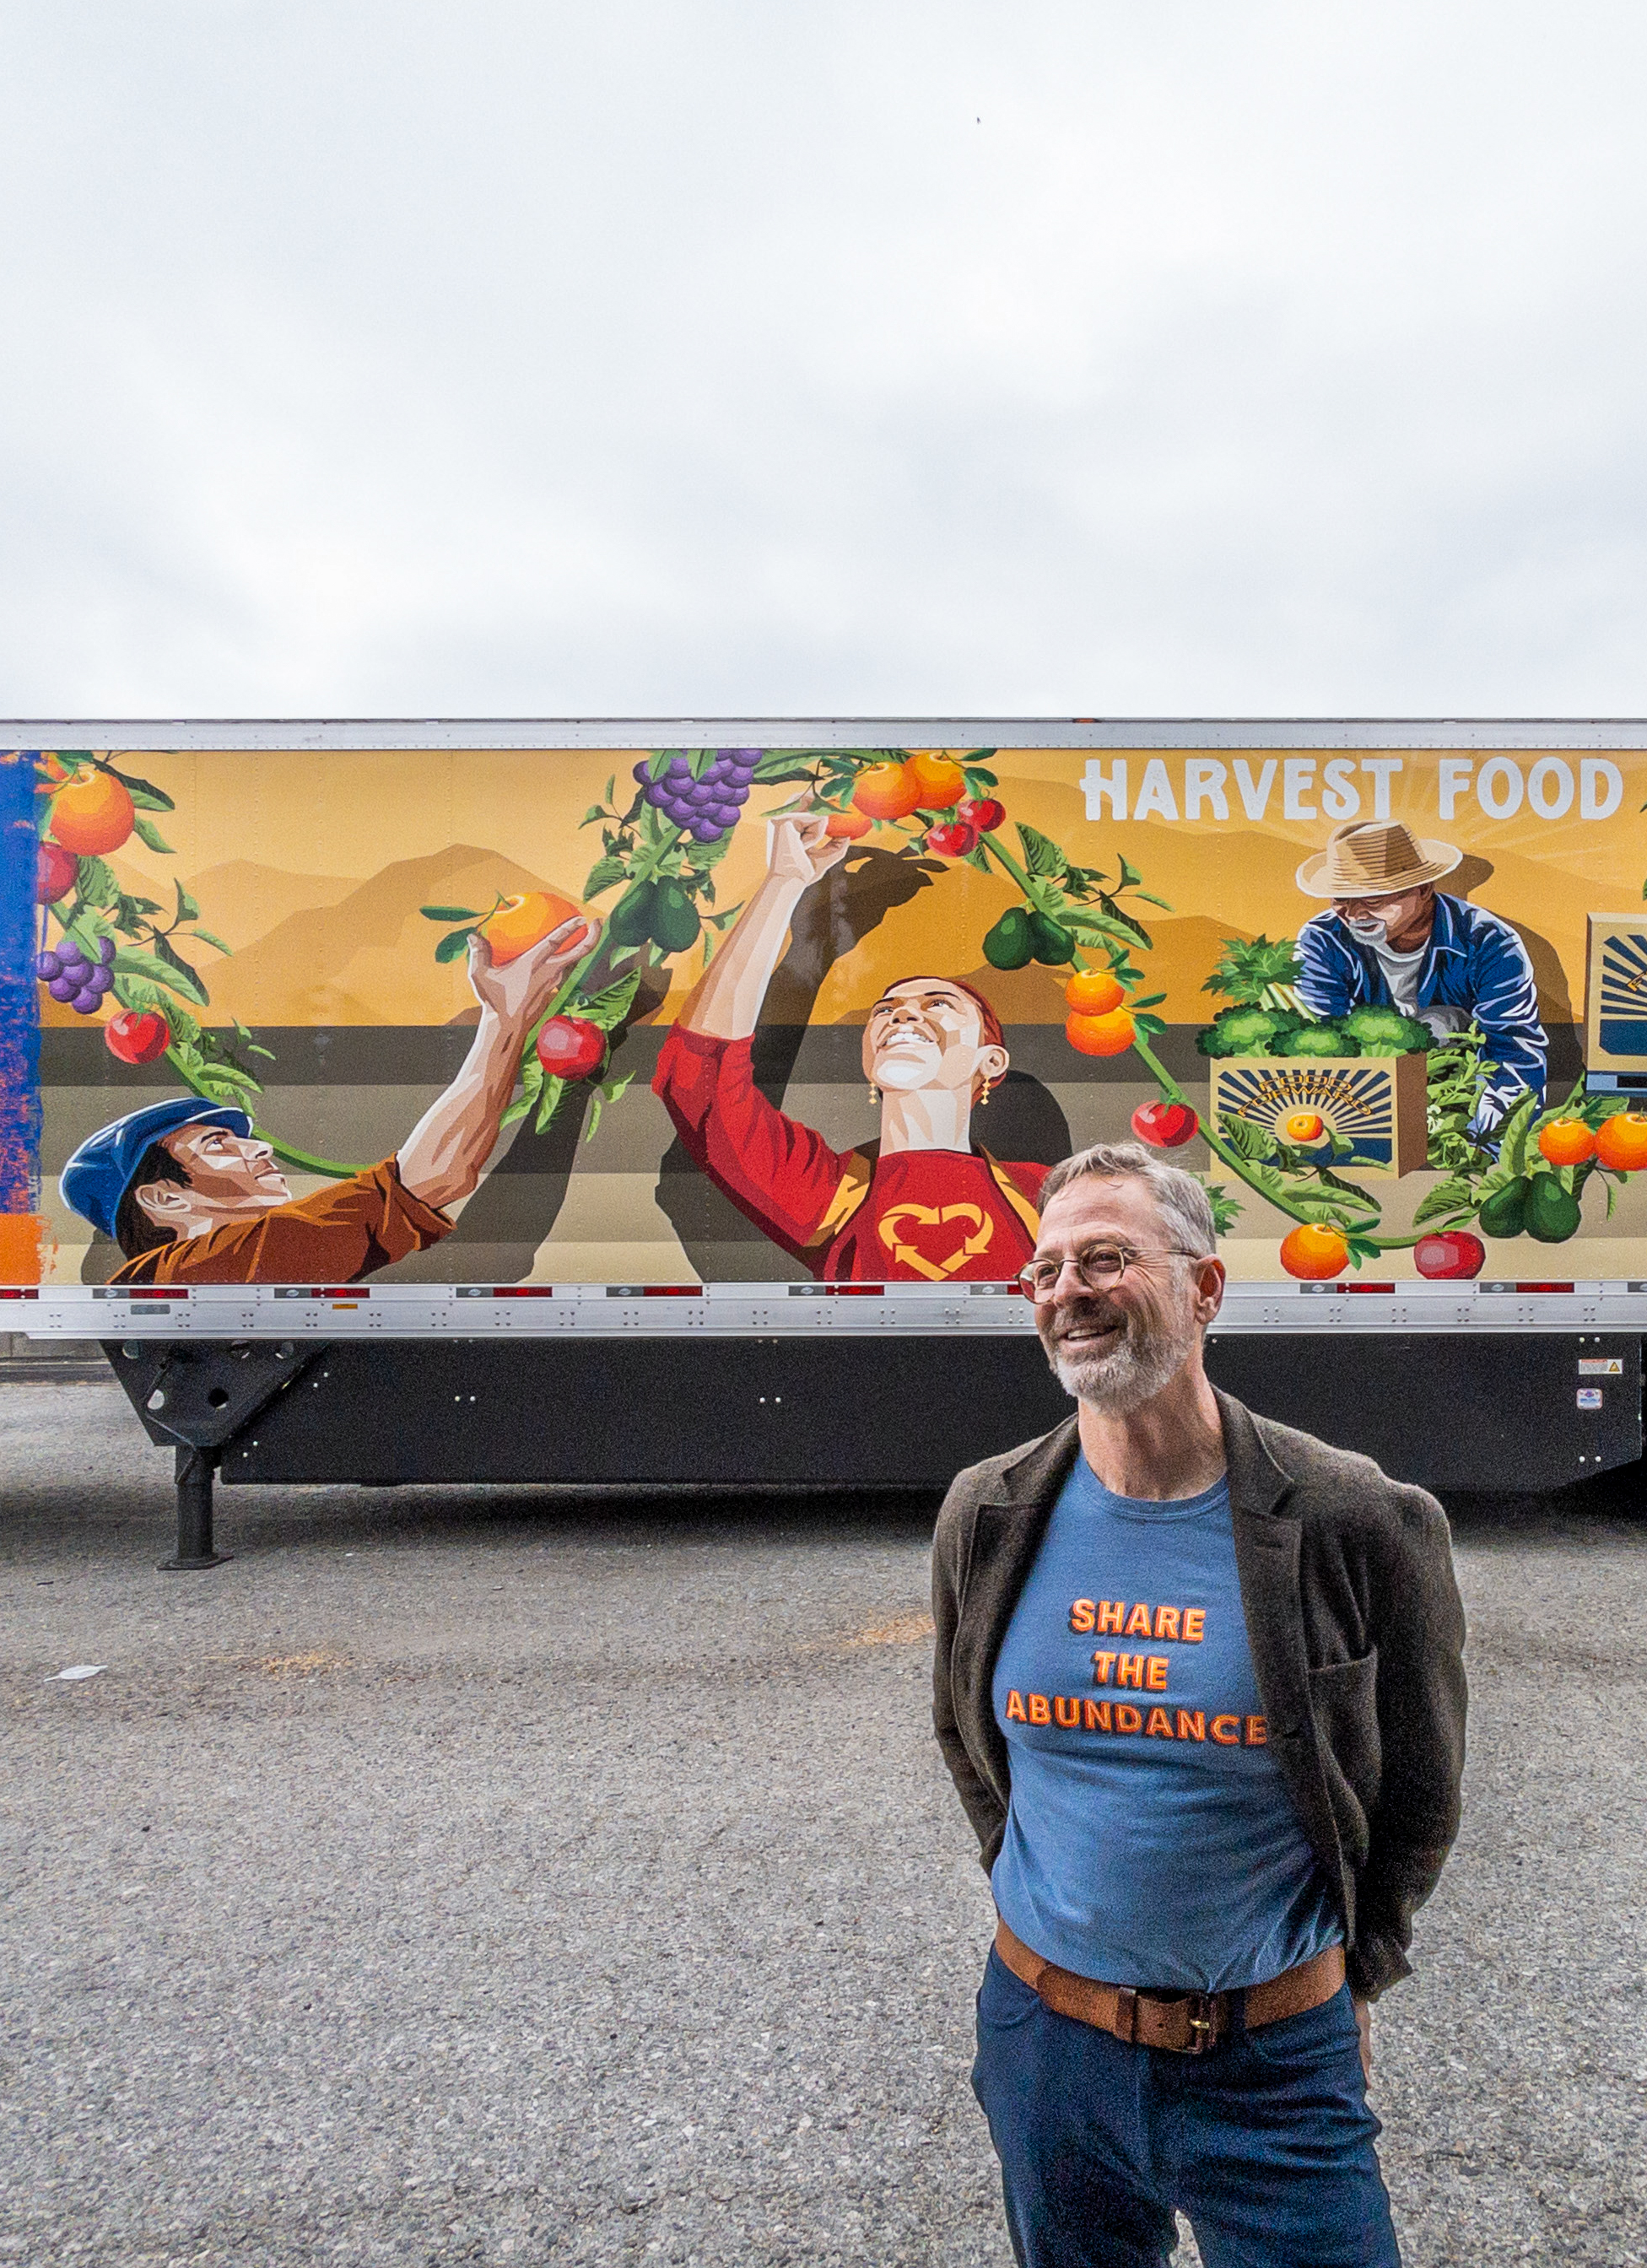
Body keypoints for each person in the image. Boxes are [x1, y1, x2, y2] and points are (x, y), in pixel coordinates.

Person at [932, 1142, 1467, 2266]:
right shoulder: (988, 1511)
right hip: (1047, 2048)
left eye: (1107, 1258)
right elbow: (974, 1747)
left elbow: (1419, 1788)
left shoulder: (1350, 1516)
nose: (1068, 1292)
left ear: (1204, 1287)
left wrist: (1349, 1976)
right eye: (1045, 1270)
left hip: (1271, 2062)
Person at [64, 915, 593, 1287]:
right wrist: (505, 1018)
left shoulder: (217, 1272)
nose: (262, 1152)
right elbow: (430, 1179)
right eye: (217, 1145)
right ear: (164, 1199)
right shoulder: (210, 1268)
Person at [656, 809, 1048, 1280]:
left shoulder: (1048, 1196)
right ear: (869, 1057)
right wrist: (783, 882)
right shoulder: (827, 1191)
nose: (903, 1014)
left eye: (938, 1004)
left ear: (991, 1061)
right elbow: (702, 1081)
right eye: (885, 1010)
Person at [1289, 819, 1544, 1135]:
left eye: (1372, 899)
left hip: (1461, 1099)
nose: (1354, 914)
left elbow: (1513, 1053)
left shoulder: (1488, 942)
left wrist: (1486, 1139)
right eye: (1341, 898)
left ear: (1423, 890)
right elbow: (1323, 1043)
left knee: (1441, 1022)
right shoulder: (1322, 940)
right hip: (1364, 1103)